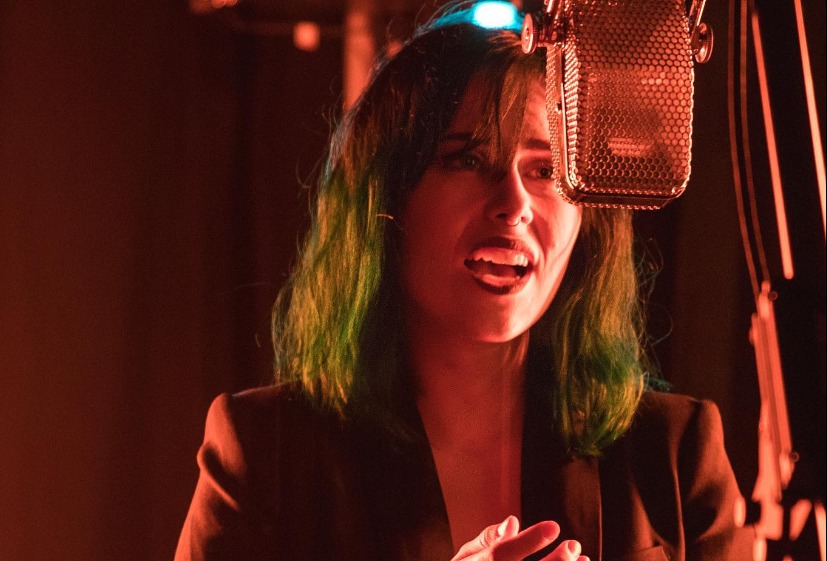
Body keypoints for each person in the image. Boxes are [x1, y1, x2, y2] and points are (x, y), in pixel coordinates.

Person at [175, 5, 755, 561]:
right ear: (386, 198)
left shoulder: (673, 450)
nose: (514, 205)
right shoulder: (266, 450)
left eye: (546, 170)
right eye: (468, 161)